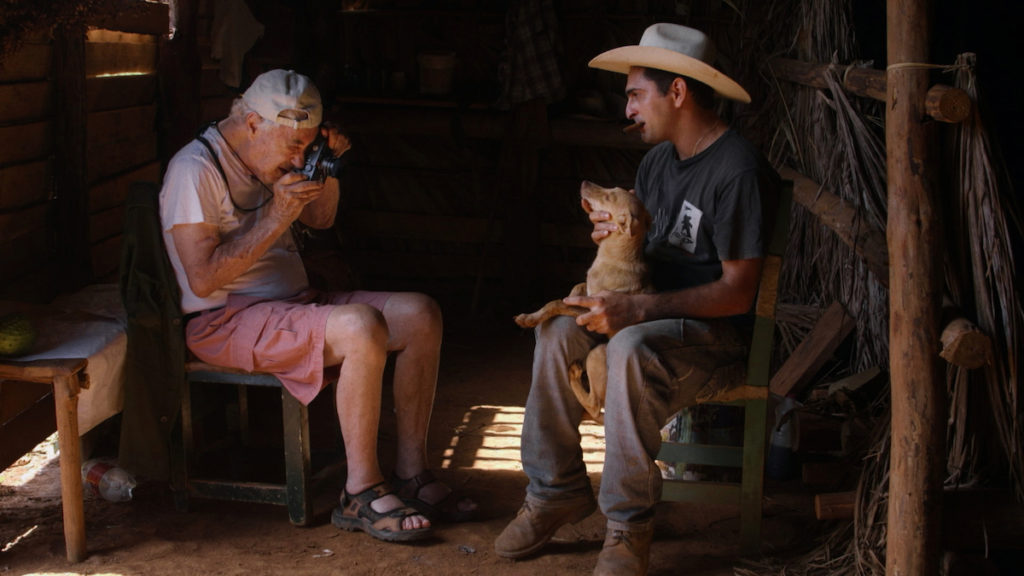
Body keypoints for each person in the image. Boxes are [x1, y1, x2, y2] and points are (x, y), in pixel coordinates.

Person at [494, 24, 780, 575]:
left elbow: (739, 294)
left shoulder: (737, 170)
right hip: (649, 312)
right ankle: (555, 491)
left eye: (635, 94)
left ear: (677, 92)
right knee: (555, 332)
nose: (627, 109)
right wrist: (615, 240)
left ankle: (627, 525)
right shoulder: (656, 164)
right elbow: (642, 250)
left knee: (628, 349)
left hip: (711, 337)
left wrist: (638, 311)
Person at [160, 69, 474, 543]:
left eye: (308, 146)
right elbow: (202, 280)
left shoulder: (281, 155)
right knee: (361, 325)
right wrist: (275, 215)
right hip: (224, 319)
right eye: (292, 146)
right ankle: (360, 489)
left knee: (420, 314)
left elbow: (322, 220)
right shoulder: (195, 169)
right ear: (251, 124)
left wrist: (323, 167)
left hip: (293, 303)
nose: (297, 157)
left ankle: (411, 472)